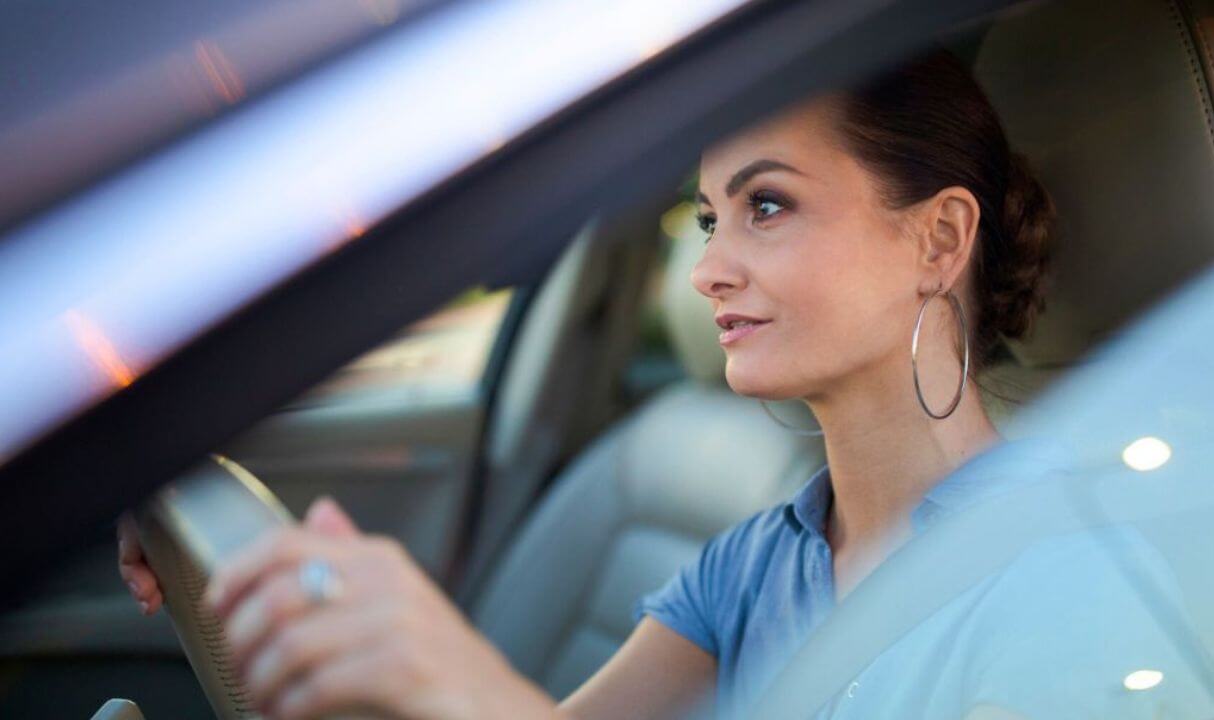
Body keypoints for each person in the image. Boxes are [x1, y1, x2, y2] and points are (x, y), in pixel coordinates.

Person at [116, 48, 1100, 719]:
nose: (706, 268)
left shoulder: (1059, 573)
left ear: (935, 240)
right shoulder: (751, 564)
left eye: (766, 204)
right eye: (709, 219)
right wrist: (276, 583)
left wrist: (457, 672)